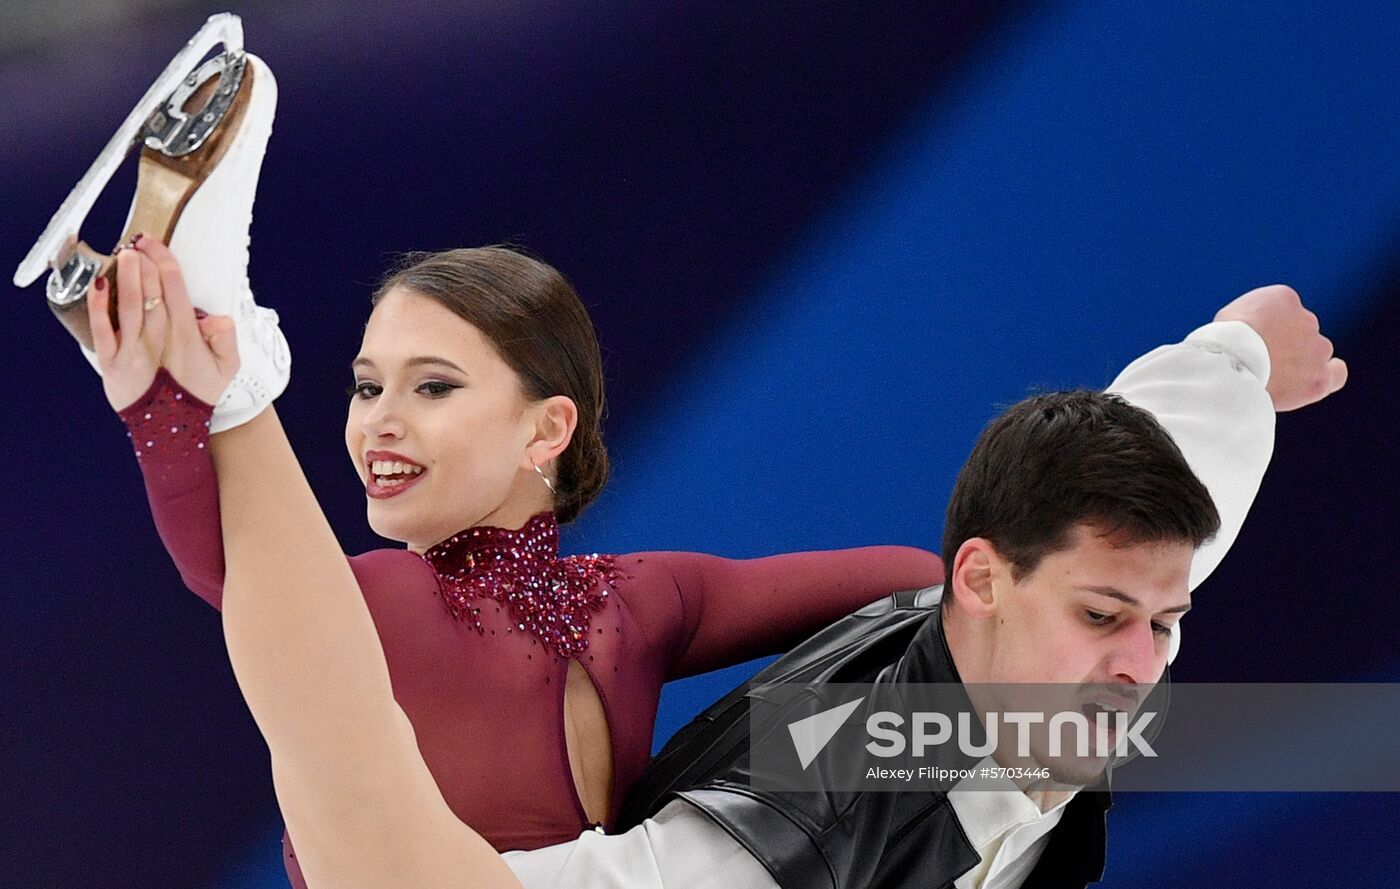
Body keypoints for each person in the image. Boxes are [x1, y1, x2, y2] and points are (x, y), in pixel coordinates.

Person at [85, 233, 1343, 888]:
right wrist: (176, 413)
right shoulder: (789, 780)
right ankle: (233, 372)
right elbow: (251, 585)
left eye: (427, 385)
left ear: (547, 427)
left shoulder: (656, 609)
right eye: (366, 389)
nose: (379, 423)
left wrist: (1230, 359)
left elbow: (1057, 555)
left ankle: (229, 377)